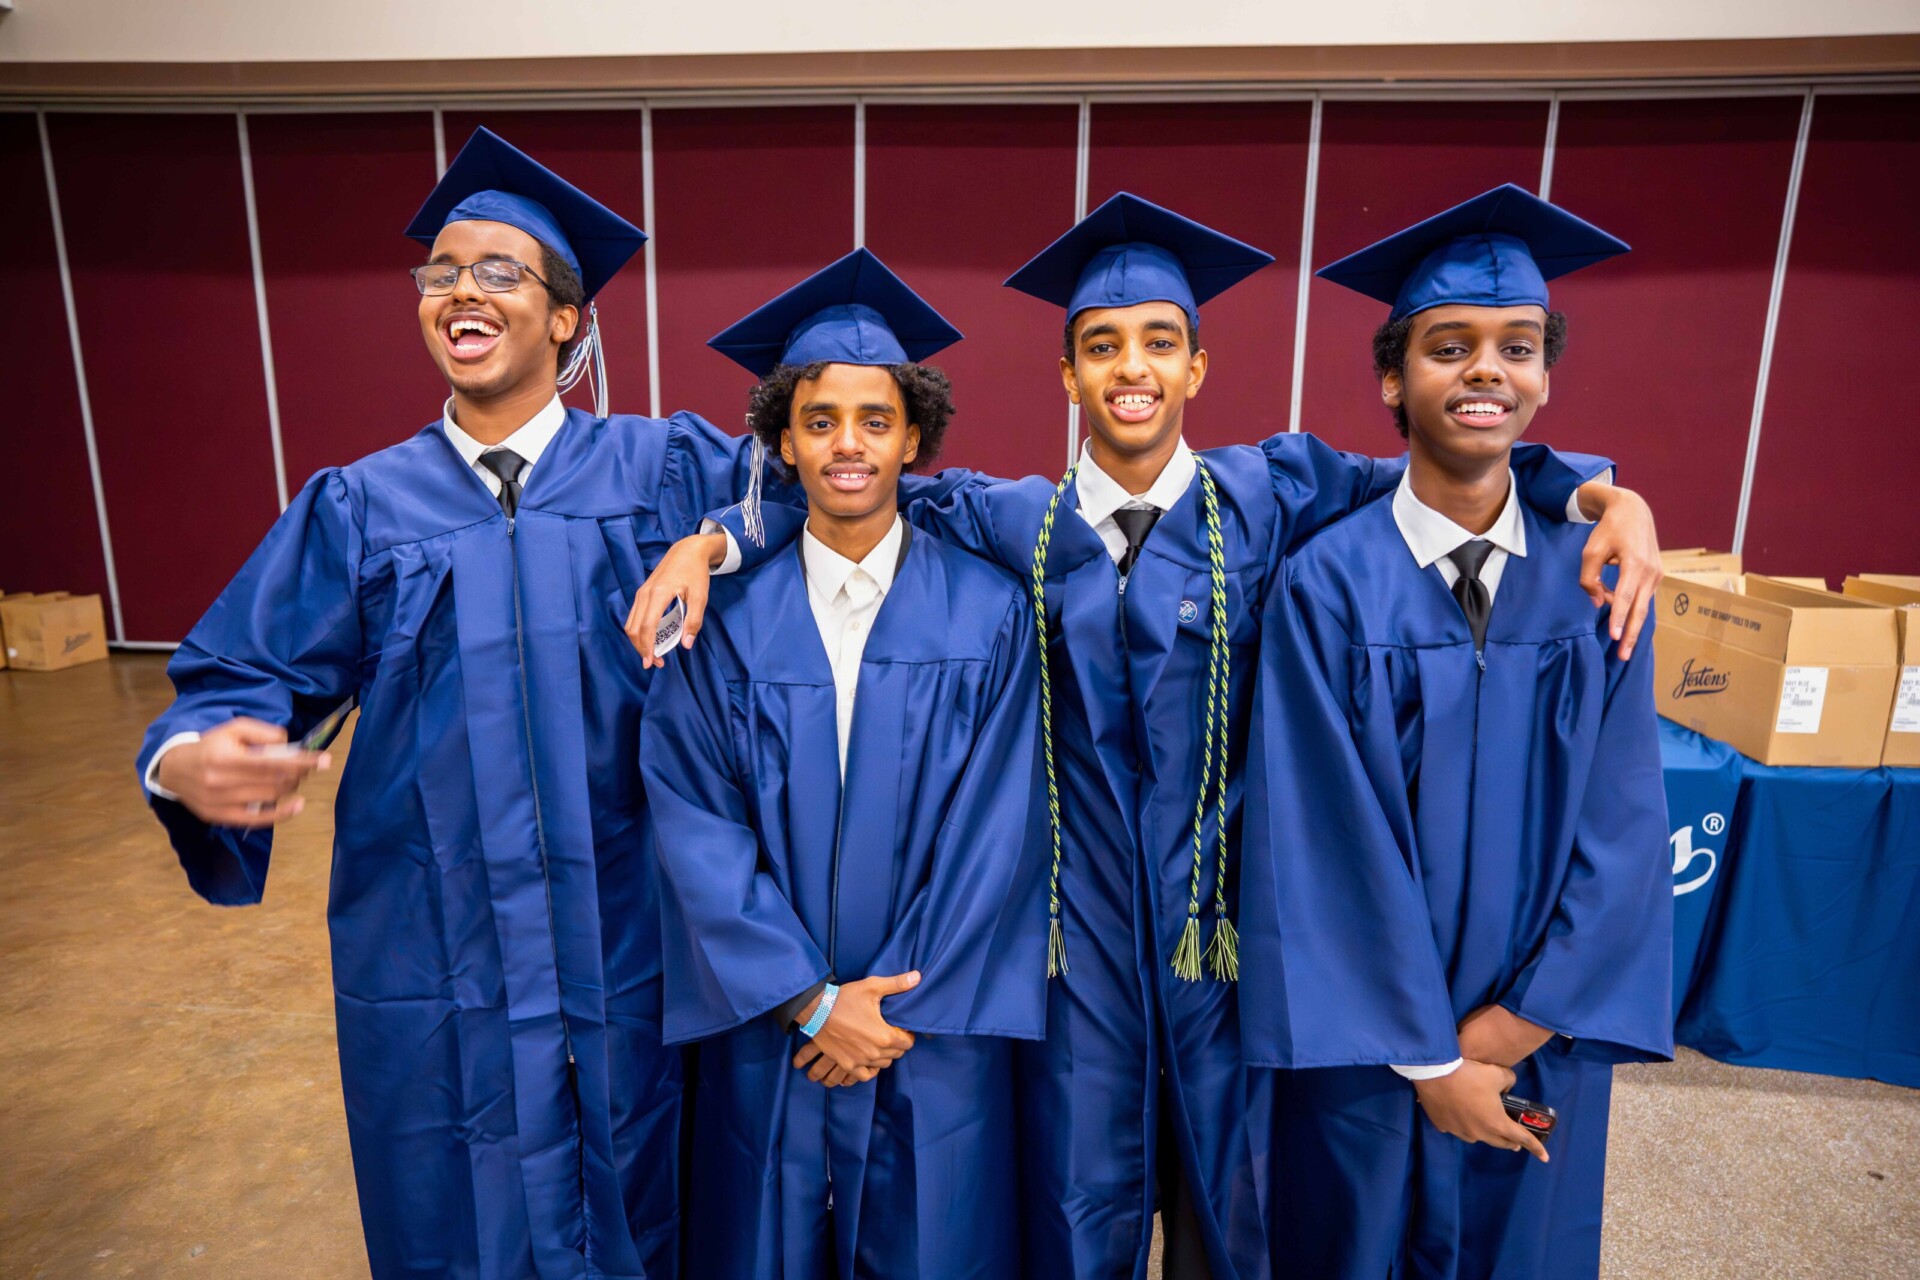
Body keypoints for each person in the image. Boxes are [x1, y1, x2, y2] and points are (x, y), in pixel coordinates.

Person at [629, 193, 1662, 1279]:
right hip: (1073, 949)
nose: (1134, 366)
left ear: (1198, 368)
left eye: (1161, 342)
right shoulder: (1005, 514)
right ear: (1069, 375)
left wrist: (1597, 491)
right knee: (1079, 1212)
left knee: (1244, 1209)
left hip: (1231, 937)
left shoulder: (1272, 491)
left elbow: (1448, 466)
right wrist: (716, 542)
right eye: (1103, 345)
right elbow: (851, 488)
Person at [134, 128, 773, 1279]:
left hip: (633, 918)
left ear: (567, 319)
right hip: (442, 934)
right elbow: (242, 674)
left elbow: (820, 481)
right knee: (457, 1192)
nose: (461, 291)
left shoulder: (662, 466)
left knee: (651, 1174)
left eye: (498, 271)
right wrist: (185, 756)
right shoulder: (361, 505)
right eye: (440, 273)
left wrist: (716, 537)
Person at [1239, 184, 1675, 1279]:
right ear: (1393, 377)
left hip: (1536, 1034)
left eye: (1515, 347)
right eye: (1449, 345)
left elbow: (1623, 828)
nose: (1486, 368)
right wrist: (1432, 1057)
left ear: (1543, 379)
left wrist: (1520, 1022)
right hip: (1366, 1049)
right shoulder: (1325, 586)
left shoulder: (1596, 589)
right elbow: (1318, 839)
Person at [639, 249, 1050, 1279]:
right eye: (820, 421)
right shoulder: (720, 622)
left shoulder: (991, 610)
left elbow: (998, 833)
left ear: (914, 436)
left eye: (875, 419)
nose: (848, 444)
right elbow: (695, 818)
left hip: (927, 1020)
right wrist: (809, 996)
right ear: (784, 440)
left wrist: (884, 1008)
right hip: (773, 1020)